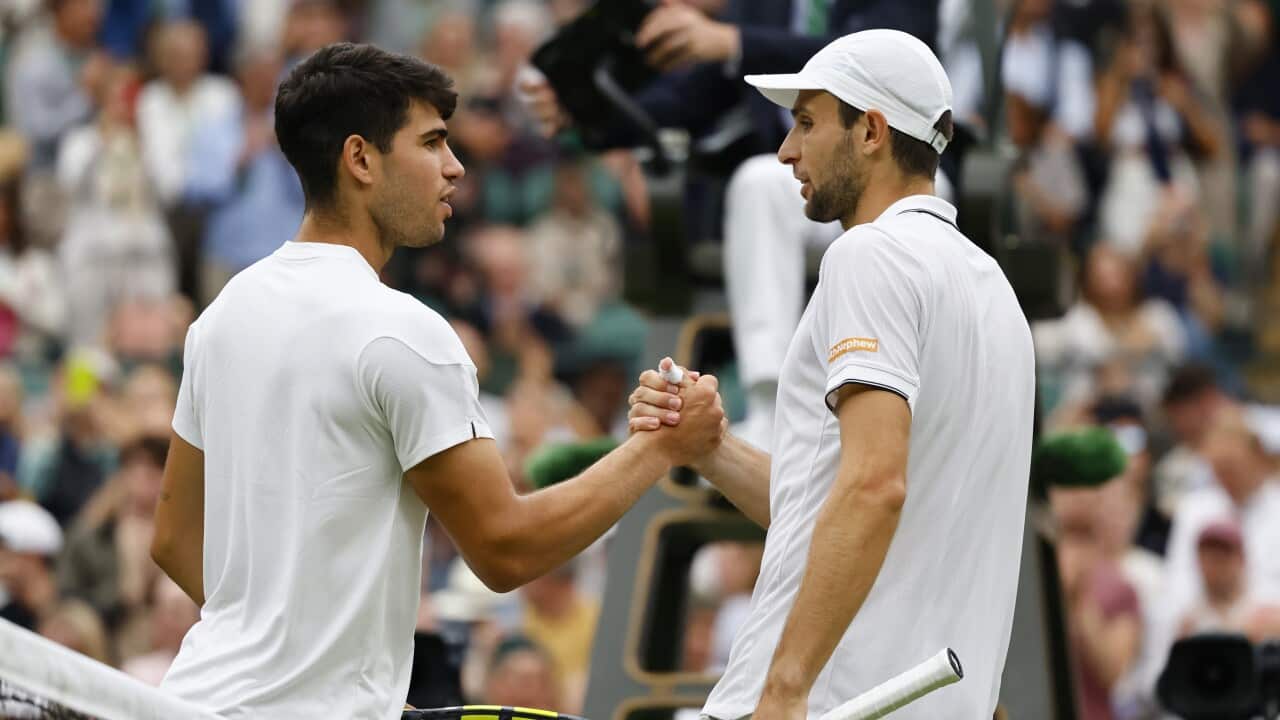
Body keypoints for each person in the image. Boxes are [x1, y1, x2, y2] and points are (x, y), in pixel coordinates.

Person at [150, 43, 727, 719]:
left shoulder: (221, 318)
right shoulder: (403, 331)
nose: (455, 168)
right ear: (361, 159)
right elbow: (505, 548)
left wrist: (278, 636)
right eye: (431, 144)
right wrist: (659, 448)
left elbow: (172, 539)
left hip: (189, 702)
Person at [627, 30, 1035, 719]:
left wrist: (784, 690)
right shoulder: (995, 292)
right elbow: (837, 506)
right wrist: (711, 450)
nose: (787, 150)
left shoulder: (870, 256)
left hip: (826, 704)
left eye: (807, 123)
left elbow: (874, 486)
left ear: (871, 131)